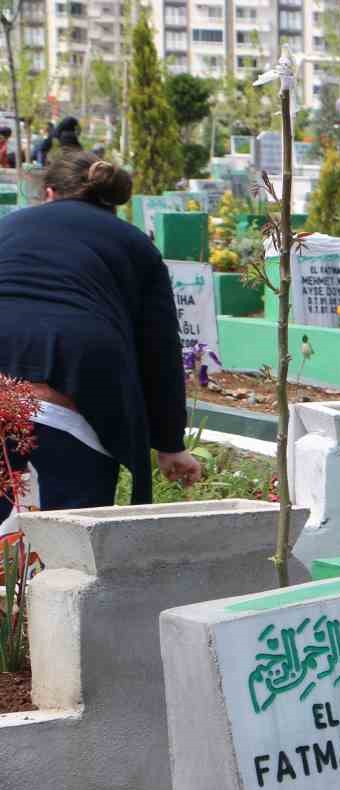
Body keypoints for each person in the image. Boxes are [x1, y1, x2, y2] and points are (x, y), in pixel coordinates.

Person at [0, 150, 199, 517]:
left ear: (49, 193)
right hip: (76, 383)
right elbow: (160, 351)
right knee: (68, 553)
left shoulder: (8, 227)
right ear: (111, 205)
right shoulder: (133, 243)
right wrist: (170, 443)